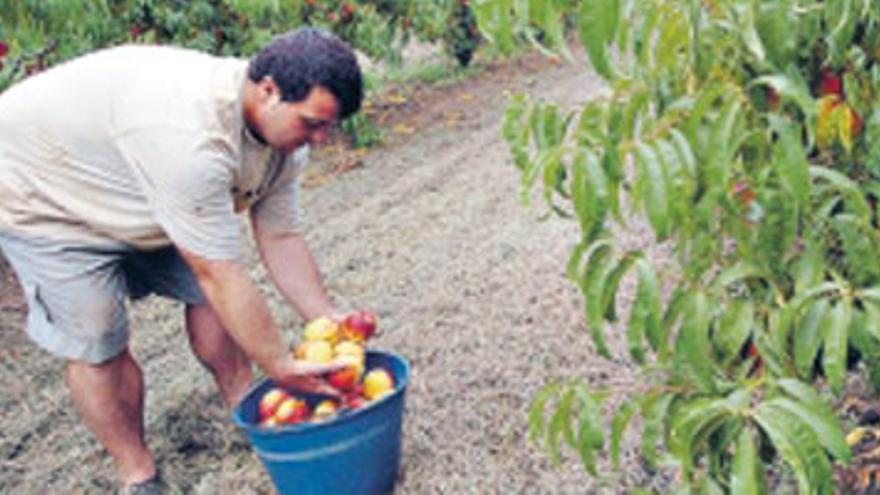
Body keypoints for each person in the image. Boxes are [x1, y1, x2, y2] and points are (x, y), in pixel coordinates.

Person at [0, 27, 364, 494]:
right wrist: (279, 364)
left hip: (135, 180)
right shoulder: (189, 137)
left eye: (327, 127)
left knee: (213, 301)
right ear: (269, 90)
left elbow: (282, 237)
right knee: (96, 335)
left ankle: (248, 409)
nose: (318, 139)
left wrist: (331, 322)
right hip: (44, 197)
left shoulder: (281, 141)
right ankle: (138, 473)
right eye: (312, 123)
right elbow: (218, 272)